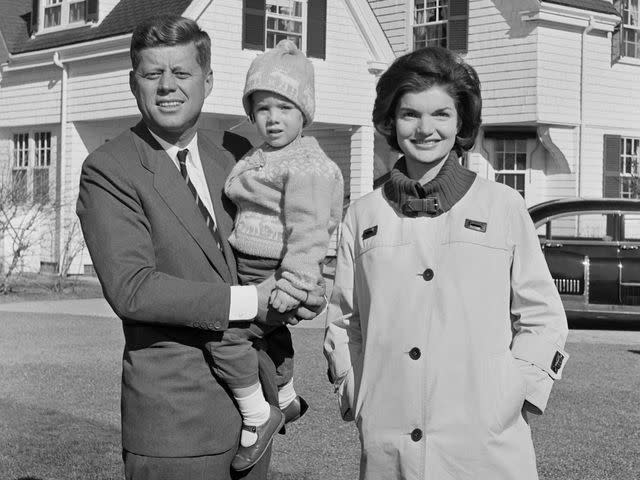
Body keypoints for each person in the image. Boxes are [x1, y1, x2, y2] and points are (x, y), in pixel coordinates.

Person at [76, 14, 322, 480]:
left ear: (208, 81)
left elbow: (285, 228)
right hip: (176, 425)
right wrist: (257, 300)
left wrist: (304, 285)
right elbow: (133, 289)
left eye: (182, 73)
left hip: (257, 412)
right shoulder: (109, 169)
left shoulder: (237, 153)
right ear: (134, 83)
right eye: (153, 74)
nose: (167, 86)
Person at [323, 46, 569, 480]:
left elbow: (543, 316)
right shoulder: (361, 215)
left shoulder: (504, 206)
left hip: (486, 446)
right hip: (388, 443)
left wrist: (515, 395)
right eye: (409, 114)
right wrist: (355, 392)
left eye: (440, 114)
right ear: (390, 121)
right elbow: (345, 322)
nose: (424, 129)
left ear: (461, 124)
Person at [222, 39, 343, 470]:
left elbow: (309, 231)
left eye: (285, 108)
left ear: (304, 113)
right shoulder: (265, 155)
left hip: (274, 270)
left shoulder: (306, 163)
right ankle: (288, 397)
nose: (273, 119)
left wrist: (293, 284)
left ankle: (260, 414)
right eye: (263, 108)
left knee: (225, 338)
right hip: (252, 264)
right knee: (271, 338)